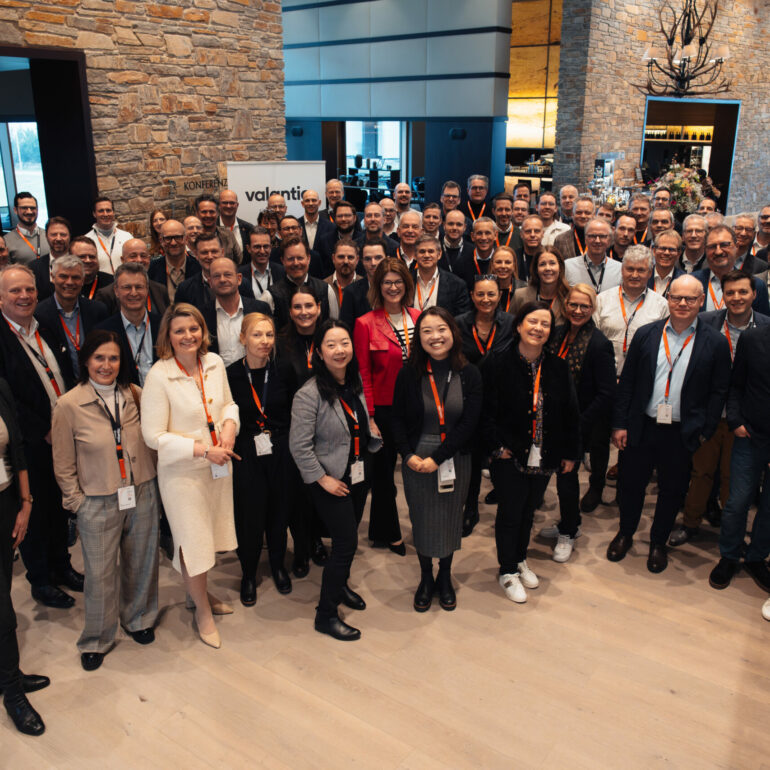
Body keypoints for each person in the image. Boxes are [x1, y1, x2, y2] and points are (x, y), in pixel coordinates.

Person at [52, 330, 160, 671]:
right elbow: (63, 462)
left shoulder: (135, 394)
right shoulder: (68, 405)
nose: (107, 365)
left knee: (142, 561)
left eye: (113, 358)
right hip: (97, 499)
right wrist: (76, 502)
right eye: (99, 358)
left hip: (141, 490)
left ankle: (139, 618)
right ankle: (97, 637)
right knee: (99, 574)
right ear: (86, 361)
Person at [608, 275, 731, 574]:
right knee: (631, 484)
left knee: (672, 491)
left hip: (682, 432)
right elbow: (628, 383)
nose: (683, 303)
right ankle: (625, 533)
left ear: (701, 301)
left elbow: (719, 391)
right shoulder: (647, 334)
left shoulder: (715, 342)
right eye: (677, 297)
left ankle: (657, 543)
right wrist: (620, 423)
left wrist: (705, 429)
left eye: (690, 298)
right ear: (668, 299)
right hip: (642, 425)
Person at [141, 303, 240, 650]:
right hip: (183, 473)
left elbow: (229, 404)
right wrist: (202, 449)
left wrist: (229, 427)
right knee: (192, 540)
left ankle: (199, 593)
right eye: (180, 330)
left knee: (207, 536)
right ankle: (202, 612)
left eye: (193, 329)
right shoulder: (159, 374)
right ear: (168, 335)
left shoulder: (213, 363)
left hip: (217, 466)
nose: (188, 336)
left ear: (203, 331)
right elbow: (153, 436)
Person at [290, 320, 381, 641]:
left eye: (344, 343)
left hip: (356, 473)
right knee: (345, 544)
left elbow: (355, 420)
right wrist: (322, 479)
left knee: (349, 538)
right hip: (330, 480)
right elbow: (299, 446)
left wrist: (370, 433)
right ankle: (325, 615)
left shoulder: (351, 381)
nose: (339, 350)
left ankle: (340, 586)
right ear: (318, 352)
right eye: (331, 344)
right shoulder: (308, 394)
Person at [482, 301, 579, 603]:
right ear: (519, 325)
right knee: (510, 512)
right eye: (532, 322)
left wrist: (570, 453)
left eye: (545, 324)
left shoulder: (558, 366)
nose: (538, 328)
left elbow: (570, 413)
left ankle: (519, 558)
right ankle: (506, 570)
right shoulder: (495, 362)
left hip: (545, 453)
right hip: (509, 454)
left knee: (529, 511)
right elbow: (484, 412)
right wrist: (497, 448)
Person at [670, 270, 770, 547]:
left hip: (744, 421)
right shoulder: (705, 321)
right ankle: (690, 524)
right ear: (722, 296)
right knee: (700, 474)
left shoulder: (765, 327)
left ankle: (730, 533)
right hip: (708, 414)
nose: (736, 298)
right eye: (730, 293)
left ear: (754, 295)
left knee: (733, 480)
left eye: (743, 292)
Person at [392, 308, 482, 611]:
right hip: (417, 458)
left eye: (441, 329)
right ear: (419, 337)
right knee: (422, 519)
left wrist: (439, 458)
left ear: (452, 332)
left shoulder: (469, 373)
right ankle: (425, 577)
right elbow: (397, 419)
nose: (435, 336)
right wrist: (408, 455)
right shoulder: (409, 373)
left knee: (449, 519)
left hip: (454, 457)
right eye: (427, 331)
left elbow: (470, 423)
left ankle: (444, 576)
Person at [0, 265, 79, 609]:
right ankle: (42, 580)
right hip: (30, 444)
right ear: (1, 297)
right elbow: (7, 400)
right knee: (35, 511)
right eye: (15, 291)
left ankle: (62, 565)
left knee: (59, 506)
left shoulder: (43, 325)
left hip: (61, 438)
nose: (24, 296)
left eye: (29, 290)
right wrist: (42, 430)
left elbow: (64, 374)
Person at [227, 313, 298, 605]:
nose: (265, 342)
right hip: (247, 451)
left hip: (280, 448)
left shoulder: (284, 369)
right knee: (250, 514)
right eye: (257, 335)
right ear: (243, 338)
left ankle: (279, 566)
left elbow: (295, 411)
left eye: (269, 335)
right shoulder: (230, 374)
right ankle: (248, 573)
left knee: (280, 512)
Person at [540, 284, 615, 561]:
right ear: (565, 305)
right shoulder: (557, 334)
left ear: (593, 309)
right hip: (550, 420)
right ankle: (567, 523)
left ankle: (569, 531)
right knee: (555, 475)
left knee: (567, 480)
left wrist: (579, 424)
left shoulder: (599, 344)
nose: (578, 310)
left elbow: (606, 393)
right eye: (573, 304)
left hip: (578, 424)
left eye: (585, 306)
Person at [353, 258, 420, 555]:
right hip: (382, 410)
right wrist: (369, 417)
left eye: (398, 282)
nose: (393, 287)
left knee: (416, 471)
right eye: (387, 282)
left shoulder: (419, 317)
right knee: (382, 477)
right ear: (378, 287)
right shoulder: (365, 323)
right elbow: (363, 373)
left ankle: (413, 524)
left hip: (417, 407)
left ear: (406, 285)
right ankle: (389, 532)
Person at [709, 310, 770, 595]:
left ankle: (757, 557)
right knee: (737, 501)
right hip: (750, 435)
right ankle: (730, 556)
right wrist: (736, 420)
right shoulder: (753, 337)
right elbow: (737, 384)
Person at [0, 377, 48, 737]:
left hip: (5, 501)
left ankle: (7, 674)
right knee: (3, 612)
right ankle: (13, 694)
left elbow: (16, 446)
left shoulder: (1, 385)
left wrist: (26, 502)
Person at [455, 275, 515, 535]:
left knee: (501, 454)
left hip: (501, 401)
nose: (486, 299)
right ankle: (470, 508)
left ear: (499, 296)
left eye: (491, 294)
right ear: (472, 296)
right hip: (468, 398)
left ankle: (506, 502)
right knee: (472, 455)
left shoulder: (512, 324)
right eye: (480, 294)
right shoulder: (458, 324)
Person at [276, 285, 329, 573]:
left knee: (320, 487)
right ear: (290, 311)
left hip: (326, 426)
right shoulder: (280, 341)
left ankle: (317, 540)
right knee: (296, 491)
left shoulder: (330, 335)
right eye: (297, 307)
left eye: (309, 306)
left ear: (319, 307)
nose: (304, 312)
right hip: (292, 427)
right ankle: (300, 547)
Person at [34, 255, 109, 377]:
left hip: (97, 381)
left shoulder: (98, 311)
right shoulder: (38, 315)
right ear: (53, 278)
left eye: (75, 277)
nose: (69, 282)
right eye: (63, 276)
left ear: (83, 280)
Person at [96, 263, 162, 386]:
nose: (133, 293)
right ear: (116, 291)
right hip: (125, 400)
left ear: (147, 289)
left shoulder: (164, 326)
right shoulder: (103, 332)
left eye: (139, 287)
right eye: (127, 287)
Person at [200, 256, 271, 365]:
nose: (222, 280)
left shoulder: (260, 309)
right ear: (210, 282)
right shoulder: (202, 315)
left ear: (239, 279)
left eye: (227, 275)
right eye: (217, 276)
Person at [96, 238, 170, 316]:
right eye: (133, 256)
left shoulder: (160, 289)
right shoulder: (107, 294)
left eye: (143, 256)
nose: (139, 260)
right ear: (123, 260)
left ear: (149, 259)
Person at [412, 234, 470, 316]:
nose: (426, 255)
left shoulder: (456, 285)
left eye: (431, 251)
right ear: (415, 255)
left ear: (439, 255)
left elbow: (461, 319)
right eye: (422, 251)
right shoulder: (405, 280)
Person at [510, 247, 569, 323]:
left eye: (552, 263)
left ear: (560, 267)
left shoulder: (569, 296)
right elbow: (510, 327)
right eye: (542, 264)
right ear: (536, 269)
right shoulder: (520, 296)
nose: (547, 268)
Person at [148, 219, 202, 302]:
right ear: (161, 241)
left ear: (186, 239)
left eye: (178, 237)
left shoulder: (199, 268)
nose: (173, 243)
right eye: (168, 238)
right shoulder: (151, 270)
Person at [564, 217, 621, 291]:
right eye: (592, 236)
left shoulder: (619, 269)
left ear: (609, 239)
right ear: (585, 239)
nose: (597, 241)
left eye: (602, 236)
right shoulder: (568, 267)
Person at [85, 196, 133, 274]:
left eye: (108, 210)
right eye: (101, 211)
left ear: (113, 212)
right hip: (101, 285)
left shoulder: (127, 237)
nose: (105, 214)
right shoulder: (87, 241)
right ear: (94, 214)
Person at [239, 227, 285, 298]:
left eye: (266, 246)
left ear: (271, 247)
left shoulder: (282, 272)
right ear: (248, 249)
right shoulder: (240, 274)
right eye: (257, 247)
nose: (262, 251)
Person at [5, 193, 49, 265]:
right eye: (24, 208)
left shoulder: (49, 236)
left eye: (33, 208)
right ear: (15, 210)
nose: (29, 211)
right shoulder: (6, 241)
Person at [489, 246, 526, 313]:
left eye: (508, 262)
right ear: (492, 265)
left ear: (514, 265)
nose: (503, 266)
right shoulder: (485, 289)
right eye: (498, 262)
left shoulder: (524, 289)